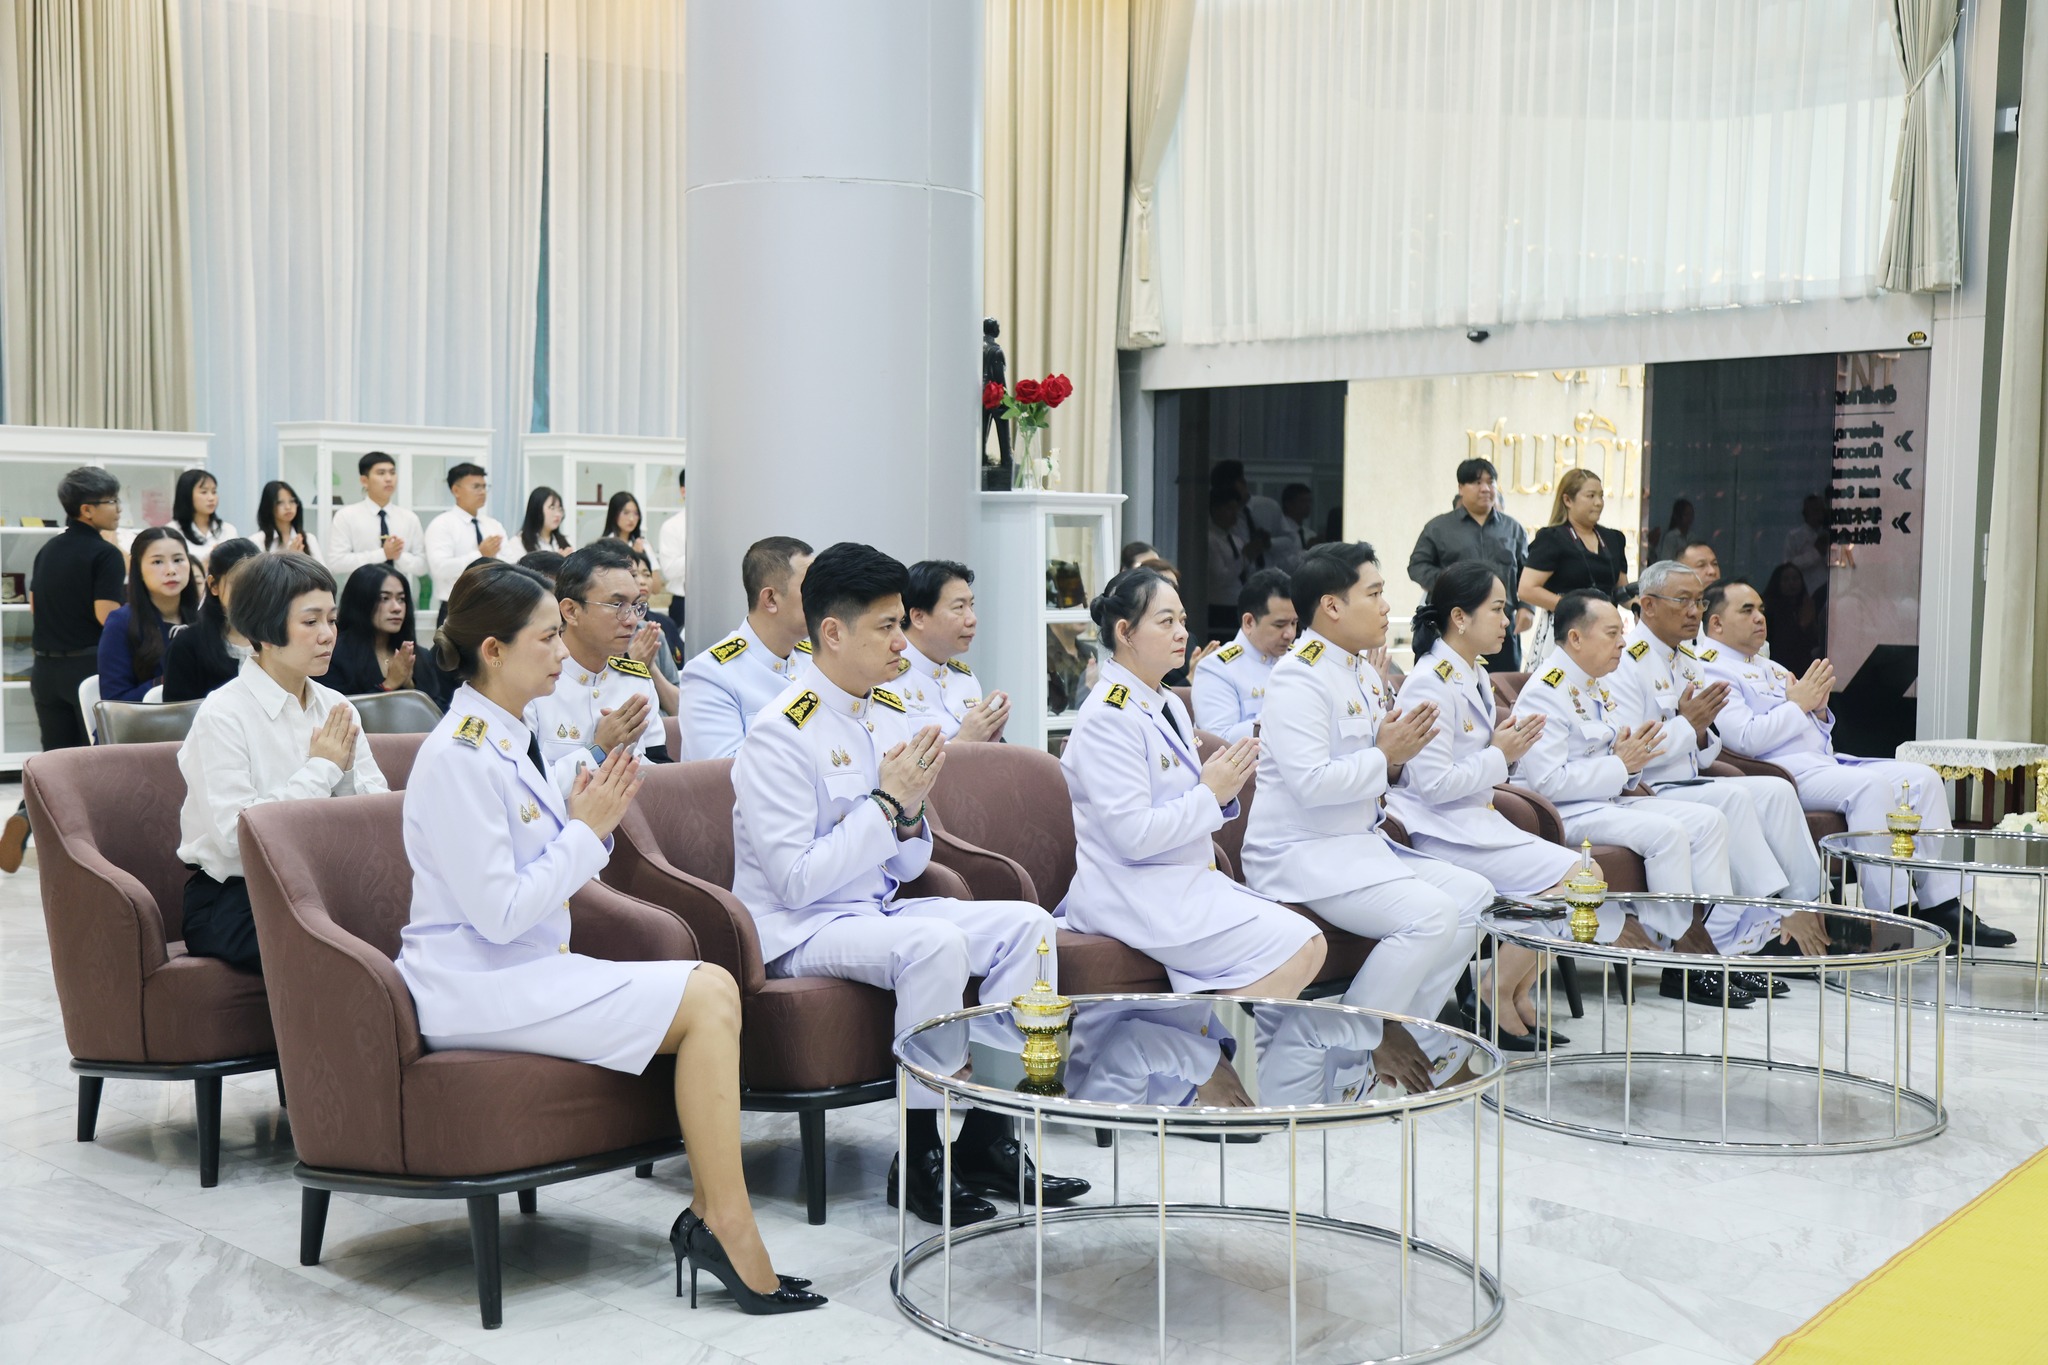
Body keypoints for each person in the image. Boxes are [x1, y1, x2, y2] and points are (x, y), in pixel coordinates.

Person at [394, 560, 822, 1314]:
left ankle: (718, 1214)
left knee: (712, 986)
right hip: (475, 985)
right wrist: (585, 831)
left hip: (522, 970)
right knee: (707, 993)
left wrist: (580, 805)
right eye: (545, 638)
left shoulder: (507, 733)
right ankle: (725, 1223)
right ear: (493, 650)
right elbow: (500, 912)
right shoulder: (459, 753)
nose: (561, 652)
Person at [730, 542, 1084, 1227]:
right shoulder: (781, 732)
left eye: (901, 623)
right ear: (833, 632)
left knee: (1031, 926)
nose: (902, 641)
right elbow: (797, 882)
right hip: (800, 929)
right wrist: (888, 804)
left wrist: (911, 814)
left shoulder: (885, 711)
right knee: (933, 945)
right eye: (887, 626)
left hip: (874, 910)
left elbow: (908, 865)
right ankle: (921, 1156)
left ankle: (990, 1135)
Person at [1240, 544, 1492, 1089]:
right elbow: (1311, 784)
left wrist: (1396, 759)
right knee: (1431, 915)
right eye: (1374, 593)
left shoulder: (1362, 672)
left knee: (1476, 896)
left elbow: (1382, 773)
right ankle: (1367, 1035)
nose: (1386, 606)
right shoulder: (1298, 677)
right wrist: (1385, 755)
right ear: (1332, 606)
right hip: (1301, 851)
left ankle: (1392, 1028)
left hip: (1356, 845)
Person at [1058, 565, 1327, 1001]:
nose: (1182, 632)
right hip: (1130, 891)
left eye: (1182, 620)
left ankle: (1207, 1035)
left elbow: (1187, 798)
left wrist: (1215, 792)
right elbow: (1133, 836)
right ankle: (1206, 1034)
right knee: (1298, 946)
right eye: (1166, 622)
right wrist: (1210, 794)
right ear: (1125, 632)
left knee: (1311, 944)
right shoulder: (1108, 717)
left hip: (1182, 880)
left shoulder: (1165, 701)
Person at [1699, 579, 2011, 947]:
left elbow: (1816, 733)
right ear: (1716, 623)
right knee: (1870, 788)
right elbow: (1746, 739)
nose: (1759, 618)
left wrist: (1817, 711)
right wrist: (1798, 705)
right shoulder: (1711, 670)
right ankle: (1892, 916)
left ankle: (1940, 904)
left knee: (1924, 779)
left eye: (1761, 610)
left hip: (1822, 762)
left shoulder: (1772, 667)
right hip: (1780, 772)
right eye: (1747, 610)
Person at [1391, 561, 1581, 1048]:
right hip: (1439, 828)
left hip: (1474, 819)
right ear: (1459, 617)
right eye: (1497, 609)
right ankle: (1494, 993)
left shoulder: (1472, 671)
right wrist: (1500, 753)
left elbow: (1479, 762)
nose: (1507, 621)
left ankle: (1513, 994)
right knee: (1580, 879)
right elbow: (1432, 785)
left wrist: (1504, 751)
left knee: (1581, 881)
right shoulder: (1429, 682)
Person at [175, 554, 387, 970]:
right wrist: (323, 768)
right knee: (337, 952)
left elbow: (375, 815)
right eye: (310, 621)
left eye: (332, 619)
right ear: (265, 631)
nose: (328, 635)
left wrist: (344, 775)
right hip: (237, 898)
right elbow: (238, 839)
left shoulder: (336, 706)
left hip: (325, 884)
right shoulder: (224, 714)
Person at [1609, 560, 1824, 962]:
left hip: (1689, 780)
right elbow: (1632, 750)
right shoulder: (1626, 662)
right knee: (1734, 800)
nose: (1694, 611)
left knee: (1776, 791)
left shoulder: (1689, 659)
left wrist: (1699, 731)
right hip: (1650, 788)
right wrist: (1688, 725)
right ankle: (1760, 924)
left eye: (1699, 601)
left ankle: (1803, 910)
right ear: (1648, 605)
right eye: (1683, 601)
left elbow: (1707, 748)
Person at [9, 469, 128, 870]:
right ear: (87, 510)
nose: (118, 508)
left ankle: (30, 819)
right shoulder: (105, 554)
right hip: (86, 669)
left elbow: (34, 607)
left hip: (44, 669)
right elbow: (107, 616)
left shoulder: (48, 550)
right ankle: (89, 849)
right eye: (112, 501)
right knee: (92, 766)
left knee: (53, 759)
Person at [531, 542, 673, 787]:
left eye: (636, 606)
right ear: (571, 611)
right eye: (617, 606)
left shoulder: (636, 681)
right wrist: (600, 749)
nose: (631, 620)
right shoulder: (532, 685)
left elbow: (661, 771)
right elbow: (528, 788)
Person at [678, 536, 815, 760]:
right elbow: (722, 772)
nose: (823, 599)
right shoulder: (710, 675)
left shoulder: (816, 659)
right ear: (770, 599)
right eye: (810, 588)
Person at [1408, 457, 1532, 671]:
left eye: (1491, 482)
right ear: (1461, 487)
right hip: (1454, 627)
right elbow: (1417, 566)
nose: (1485, 489)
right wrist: (1452, 585)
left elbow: (1527, 573)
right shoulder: (1439, 527)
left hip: (1501, 626)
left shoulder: (1513, 529)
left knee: (1502, 685)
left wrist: (1527, 607)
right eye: (1477, 482)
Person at [1519, 468, 1627, 663]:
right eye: (1591, 496)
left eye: (1601, 496)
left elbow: (1622, 590)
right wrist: (1577, 609)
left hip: (1606, 631)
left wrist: (1641, 606)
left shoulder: (1613, 538)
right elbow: (1527, 590)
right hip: (1566, 628)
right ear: (1568, 500)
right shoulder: (1552, 538)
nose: (1598, 502)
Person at [899, 559, 1009, 741]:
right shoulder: (885, 680)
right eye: (959, 607)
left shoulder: (966, 680)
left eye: (971, 606)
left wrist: (989, 742)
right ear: (918, 617)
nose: (972, 619)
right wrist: (963, 742)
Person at [1191, 568, 1295, 741]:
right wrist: (1284, 716)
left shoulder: (1297, 659)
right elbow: (1219, 740)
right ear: (1249, 622)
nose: (1290, 634)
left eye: (1294, 623)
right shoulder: (1217, 668)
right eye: (1279, 625)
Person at [98, 528, 197, 702]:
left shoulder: (204, 618)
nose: (171, 570)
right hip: (146, 717)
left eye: (178, 560)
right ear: (139, 570)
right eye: (157, 562)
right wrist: (168, 681)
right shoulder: (120, 622)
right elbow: (115, 700)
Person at [164, 538, 263, 702]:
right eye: (238, 584)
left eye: (257, 584)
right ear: (214, 585)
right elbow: (178, 712)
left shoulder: (279, 639)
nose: (249, 594)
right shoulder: (187, 645)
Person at [326, 564, 445, 701]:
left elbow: (438, 708)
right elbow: (336, 709)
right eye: (384, 598)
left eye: (401, 599)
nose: (397, 608)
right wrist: (389, 685)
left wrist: (410, 686)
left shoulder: (419, 655)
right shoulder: (333, 655)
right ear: (361, 601)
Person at [325, 451, 426, 583]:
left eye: (392, 472)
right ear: (364, 481)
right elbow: (336, 563)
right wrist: (382, 554)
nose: (389, 478)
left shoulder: (409, 518)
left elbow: (422, 566)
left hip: (399, 591)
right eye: (381, 473)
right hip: (360, 590)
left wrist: (398, 555)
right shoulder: (346, 516)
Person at [423, 463, 508, 616]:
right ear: (456, 490)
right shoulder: (442, 524)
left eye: (484, 486)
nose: (482, 492)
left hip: (492, 605)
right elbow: (440, 569)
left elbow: (509, 562)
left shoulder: (493, 525)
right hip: (456, 608)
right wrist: (479, 555)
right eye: (476, 487)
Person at [1204, 486, 1252, 640]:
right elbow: (1219, 577)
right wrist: (1244, 558)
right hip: (1219, 605)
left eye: (1236, 509)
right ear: (1215, 510)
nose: (1234, 514)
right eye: (1229, 509)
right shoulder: (1210, 539)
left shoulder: (1236, 539)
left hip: (1238, 603)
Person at [171, 470, 239, 568]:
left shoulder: (228, 530)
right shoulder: (173, 531)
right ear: (186, 495)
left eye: (214, 492)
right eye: (204, 492)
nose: (211, 498)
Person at [1762, 562, 1820, 674]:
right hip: (1777, 666)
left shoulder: (1807, 605)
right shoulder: (1770, 609)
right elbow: (1782, 642)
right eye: (1786, 579)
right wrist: (1802, 624)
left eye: (1795, 579)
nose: (1791, 583)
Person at [256, 480, 319, 559]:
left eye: (292, 501)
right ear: (269, 506)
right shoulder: (258, 540)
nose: (288, 507)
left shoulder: (309, 539)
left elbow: (321, 567)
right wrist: (290, 556)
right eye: (280, 502)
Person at [657, 467, 687, 621]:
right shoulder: (672, 526)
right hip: (683, 602)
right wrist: (698, 554)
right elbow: (669, 570)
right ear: (683, 491)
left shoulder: (720, 523)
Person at [1270, 484, 1317, 573]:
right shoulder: (1279, 533)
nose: (1308, 505)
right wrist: (1309, 551)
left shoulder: (1310, 534)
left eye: (1309, 501)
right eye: (1303, 501)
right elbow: (1282, 565)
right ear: (1288, 504)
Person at [518, 486, 574, 556]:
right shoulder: (518, 543)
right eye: (552, 508)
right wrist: (559, 561)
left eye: (560, 509)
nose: (558, 514)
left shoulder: (566, 541)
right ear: (536, 509)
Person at [601, 490, 648, 556]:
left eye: (636, 513)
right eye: (626, 513)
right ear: (614, 514)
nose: (631, 519)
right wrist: (635, 554)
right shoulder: (604, 546)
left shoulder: (641, 544)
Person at [1654, 498, 1695, 564]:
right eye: (1686, 515)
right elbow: (1666, 560)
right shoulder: (1671, 537)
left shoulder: (1692, 537)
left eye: (1691, 514)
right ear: (1678, 516)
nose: (1689, 518)